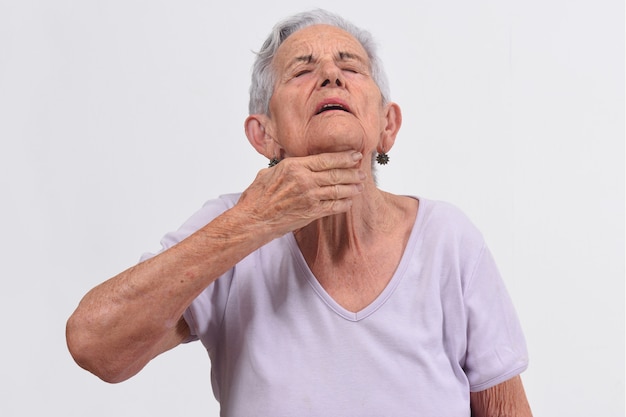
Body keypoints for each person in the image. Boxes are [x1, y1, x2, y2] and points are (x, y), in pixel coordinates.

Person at [66, 9, 532, 416]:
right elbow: (95, 346)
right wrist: (253, 221)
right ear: (264, 135)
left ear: (387, 126)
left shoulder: (448, 239)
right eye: (302, 70)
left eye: (350, 66)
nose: (331, 76)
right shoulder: (232, 226)